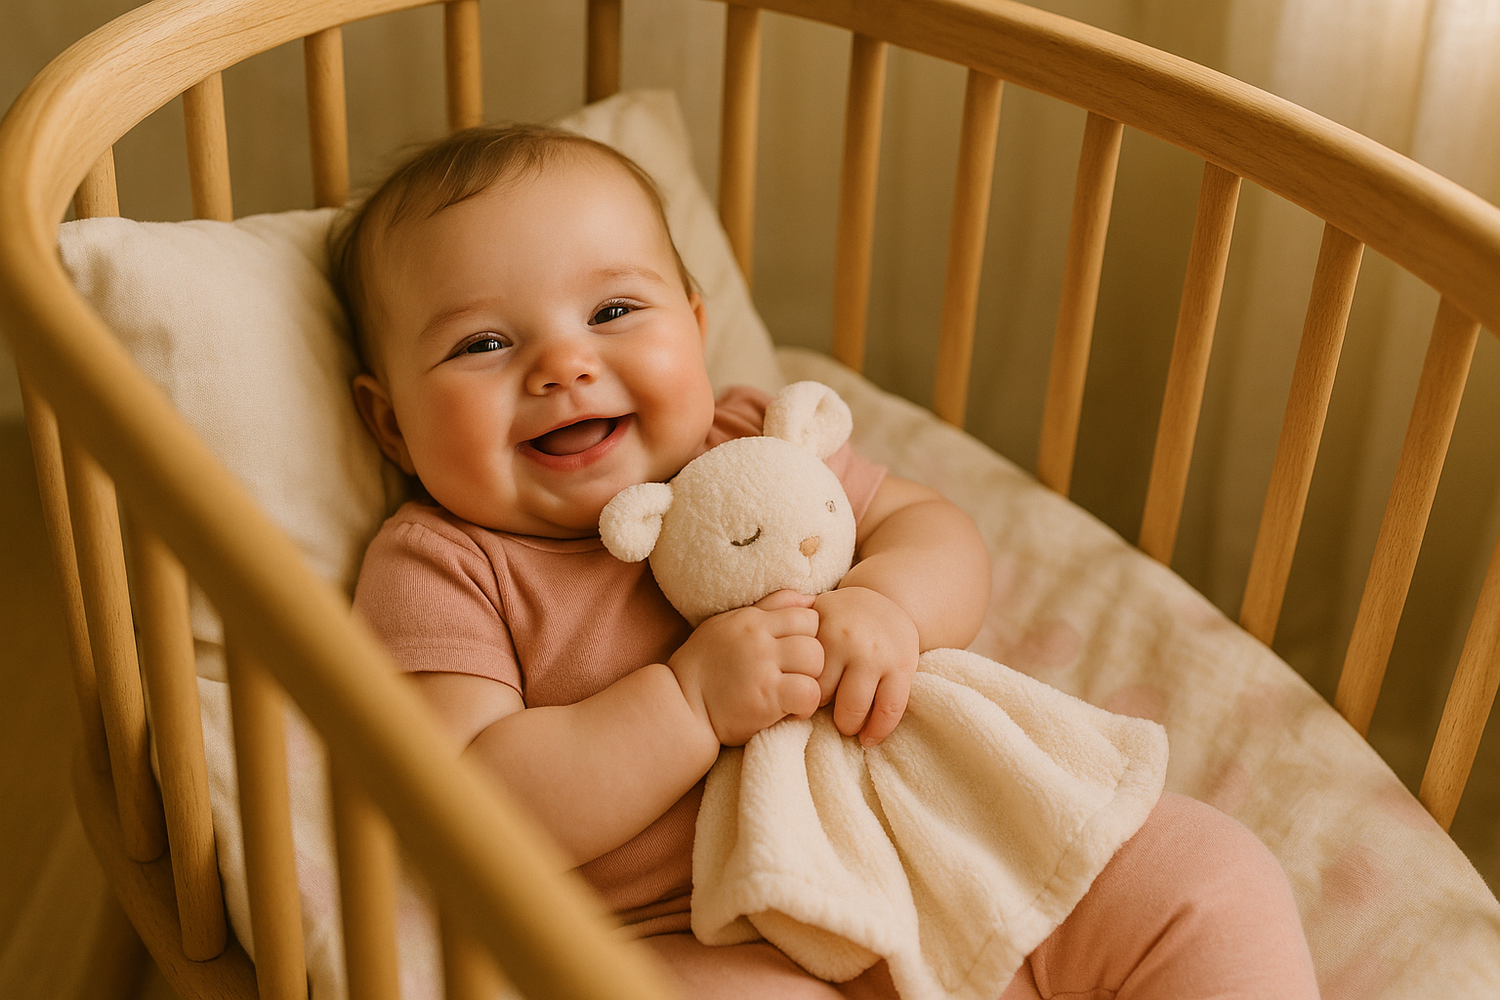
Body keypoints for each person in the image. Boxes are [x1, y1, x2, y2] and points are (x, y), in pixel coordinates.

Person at [338, 124, 1320, 999]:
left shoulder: (749, 442)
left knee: (1208, 879)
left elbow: (933, 530)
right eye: (484, 342)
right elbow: (471, 802)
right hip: (699, 930)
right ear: (389, 423)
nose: (563, 365)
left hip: (937, 832)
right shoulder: (442, 563)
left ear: (696, 329)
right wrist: (686, 704)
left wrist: (890, 603)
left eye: (612, 311)